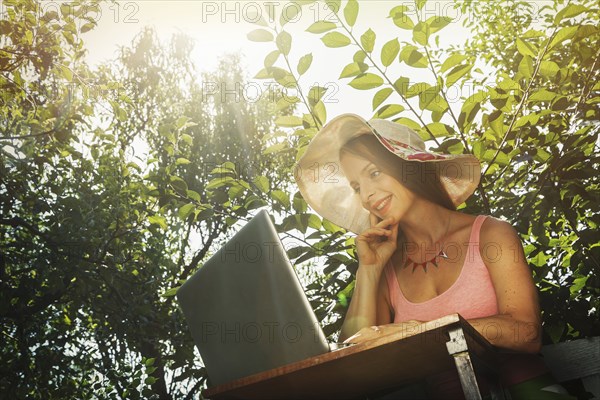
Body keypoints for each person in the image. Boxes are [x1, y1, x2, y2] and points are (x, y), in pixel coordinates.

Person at [294, 114, 575, 399]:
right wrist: (368, 269)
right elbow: (354, 362)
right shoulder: (387, 266)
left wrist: (421, 332)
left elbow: (526, 333)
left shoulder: (490, 233)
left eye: (374, 173)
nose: (366, 194)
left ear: (408, 166)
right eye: (356, 187)